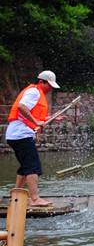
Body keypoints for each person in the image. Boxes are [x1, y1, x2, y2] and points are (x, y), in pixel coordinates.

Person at [4, 71, 63, 206]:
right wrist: (36, 123)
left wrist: (51, 118)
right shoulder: (34, 92)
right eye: (49, 85)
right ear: (41, 82)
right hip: (20, 134)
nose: (50, 89)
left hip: (17, 134)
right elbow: (22, 107)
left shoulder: (37, 93)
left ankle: (16, 195)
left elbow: (36, 117)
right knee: (33, 166)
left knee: (25, 167)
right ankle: (35, 199)